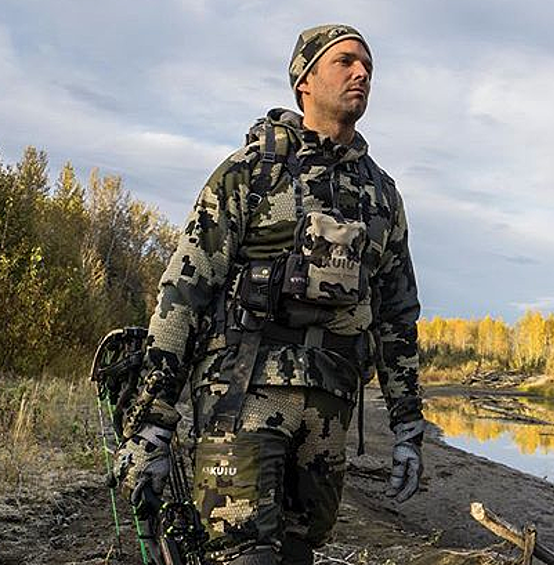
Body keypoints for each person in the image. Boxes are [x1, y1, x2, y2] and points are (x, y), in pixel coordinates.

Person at [114, 24, 425, 565]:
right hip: (242, 398)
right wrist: (152, 423)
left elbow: (397, 318)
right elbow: (183, 292)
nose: (362, 74)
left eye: (369, 67)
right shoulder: (249, 174)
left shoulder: (382, 196)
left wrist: (407, 428)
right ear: (304, 79)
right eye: (346, 62)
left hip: (329, 411)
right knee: (242, 553)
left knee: (299, 551)